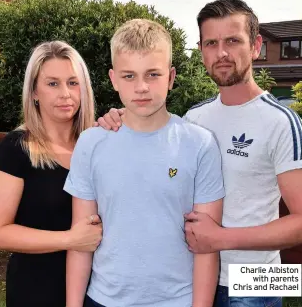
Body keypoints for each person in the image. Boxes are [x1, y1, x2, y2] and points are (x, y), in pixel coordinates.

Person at [96, 0, 302, 307]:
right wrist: (118, 118)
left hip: (251, 282)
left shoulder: (281, 122)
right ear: (201, 49)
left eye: (233, 41)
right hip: (191, 274)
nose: (221, 53)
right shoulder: (194, 118)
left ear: (256, 45)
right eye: (211, 43)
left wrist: (221, 238)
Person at [64, 19, 224, 307]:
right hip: (103, 299)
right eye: (129, 76)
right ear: (113, 79)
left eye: (152, 74)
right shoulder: (91, 143)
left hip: (179, 300)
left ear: (171, 77)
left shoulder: (200, 144)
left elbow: (206, 245)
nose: (141, 87)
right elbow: (81, 240)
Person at [0, 40, 102, 307]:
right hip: (35, 291)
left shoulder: (99, 146)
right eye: (52, 83)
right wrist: (70, 239)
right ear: (34, 91)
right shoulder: (17, 148)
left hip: (95, 289)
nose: (65, 93)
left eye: (73, 82)